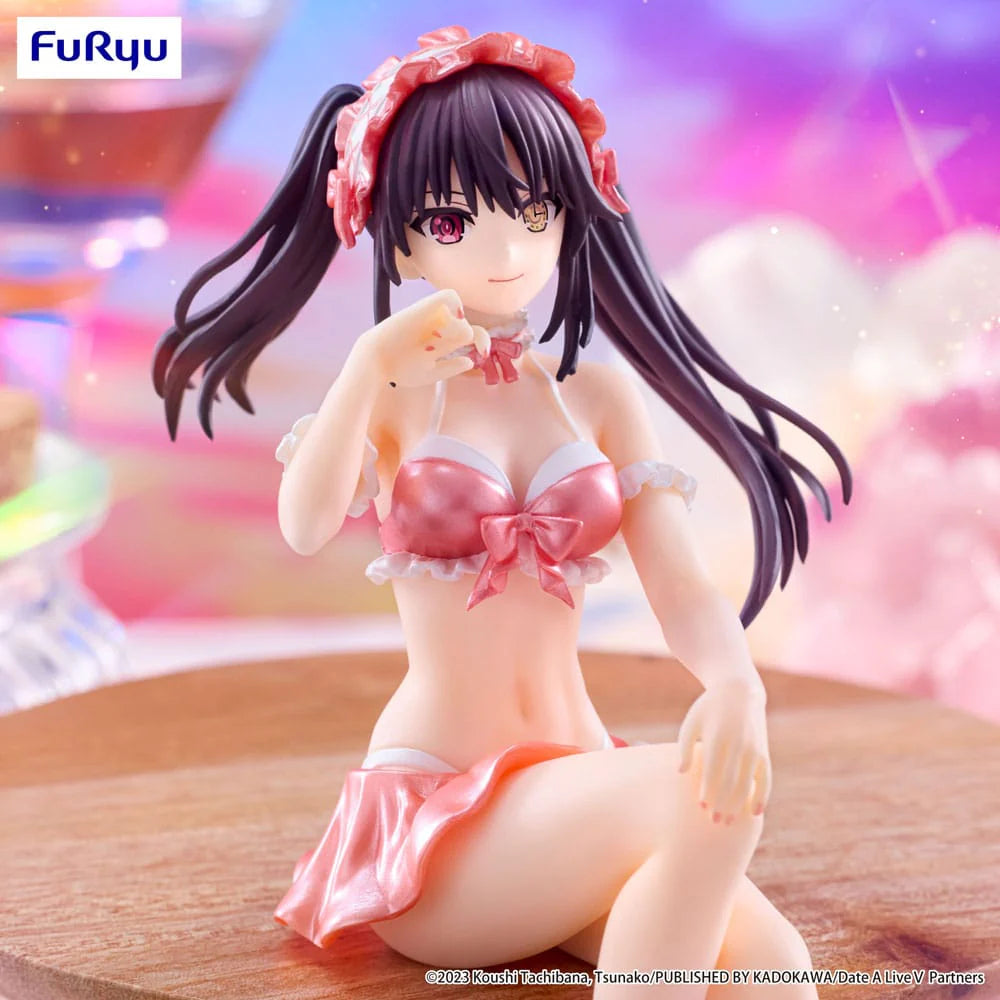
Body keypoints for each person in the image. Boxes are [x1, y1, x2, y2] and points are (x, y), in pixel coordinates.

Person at [152, 26, 851, 999]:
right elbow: (305, 523)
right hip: (442, 823)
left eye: (533, 210)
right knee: (697, 794)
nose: (506, 250)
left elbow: (680, 582)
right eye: (452, 220)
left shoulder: (594, 396)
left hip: (575, 787)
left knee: (773, 967)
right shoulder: (397, 394)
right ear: (397, 235)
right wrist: (365, 369)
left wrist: (737, 686)